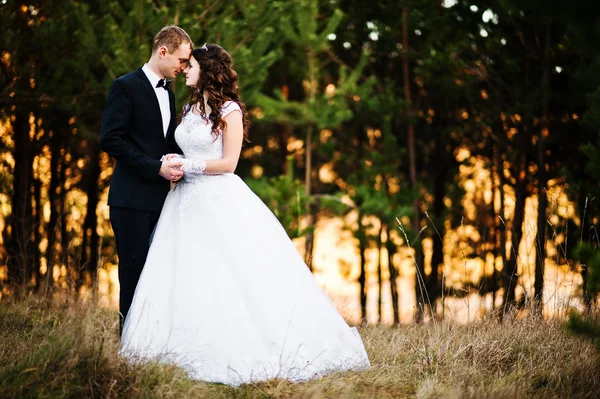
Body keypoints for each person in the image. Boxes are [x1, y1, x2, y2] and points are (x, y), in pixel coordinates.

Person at [120, 43, 370, 386]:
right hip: (182, 203)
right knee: (185, 272)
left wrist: (188, 164)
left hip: (218, 199)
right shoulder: (190, 108)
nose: (184, 70)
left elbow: (229, 164)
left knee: (231, 272)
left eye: (190, 65)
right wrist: (167, 163)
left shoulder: (230, 110)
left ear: (206, 70)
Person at [99, 25, 193, 334]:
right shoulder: (125, 87)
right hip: (130, 200)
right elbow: (111, 139)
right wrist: (155, 168)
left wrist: (179, 161)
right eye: (181, 60)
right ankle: (128, 345)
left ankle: (153, 341)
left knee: (157, 274)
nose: (184, 67)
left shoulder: (169, 91)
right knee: (133, 273)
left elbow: (164, 142)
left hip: (161, 199)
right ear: (162, 51)